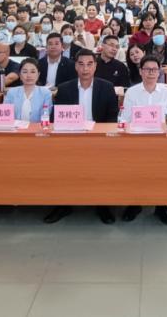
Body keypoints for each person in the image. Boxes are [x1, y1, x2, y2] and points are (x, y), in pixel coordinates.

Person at [46, 48, 120, 225]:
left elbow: (112, 118)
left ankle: (102, 204)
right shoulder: (64, 88)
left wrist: (100, 137)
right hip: (71, 139)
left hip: (99, 139)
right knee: (61, 164)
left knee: (103, 166)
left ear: (95, 66)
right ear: (75, 67)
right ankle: (63, 204)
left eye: (89, 64)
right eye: (81, 64)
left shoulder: (107, 87)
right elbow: (55, 118)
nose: (85, 69)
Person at [118, 56, 167, 225]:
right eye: (147, 69)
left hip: (161, 142)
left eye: (154, 69)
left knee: (165, 166)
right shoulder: (132, 92)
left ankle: (161, 205)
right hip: (136, 142)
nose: (151, 72)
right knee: (132, 166)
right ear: (140, 72)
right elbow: (125, 119)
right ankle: (134, 203)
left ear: (159, 72)